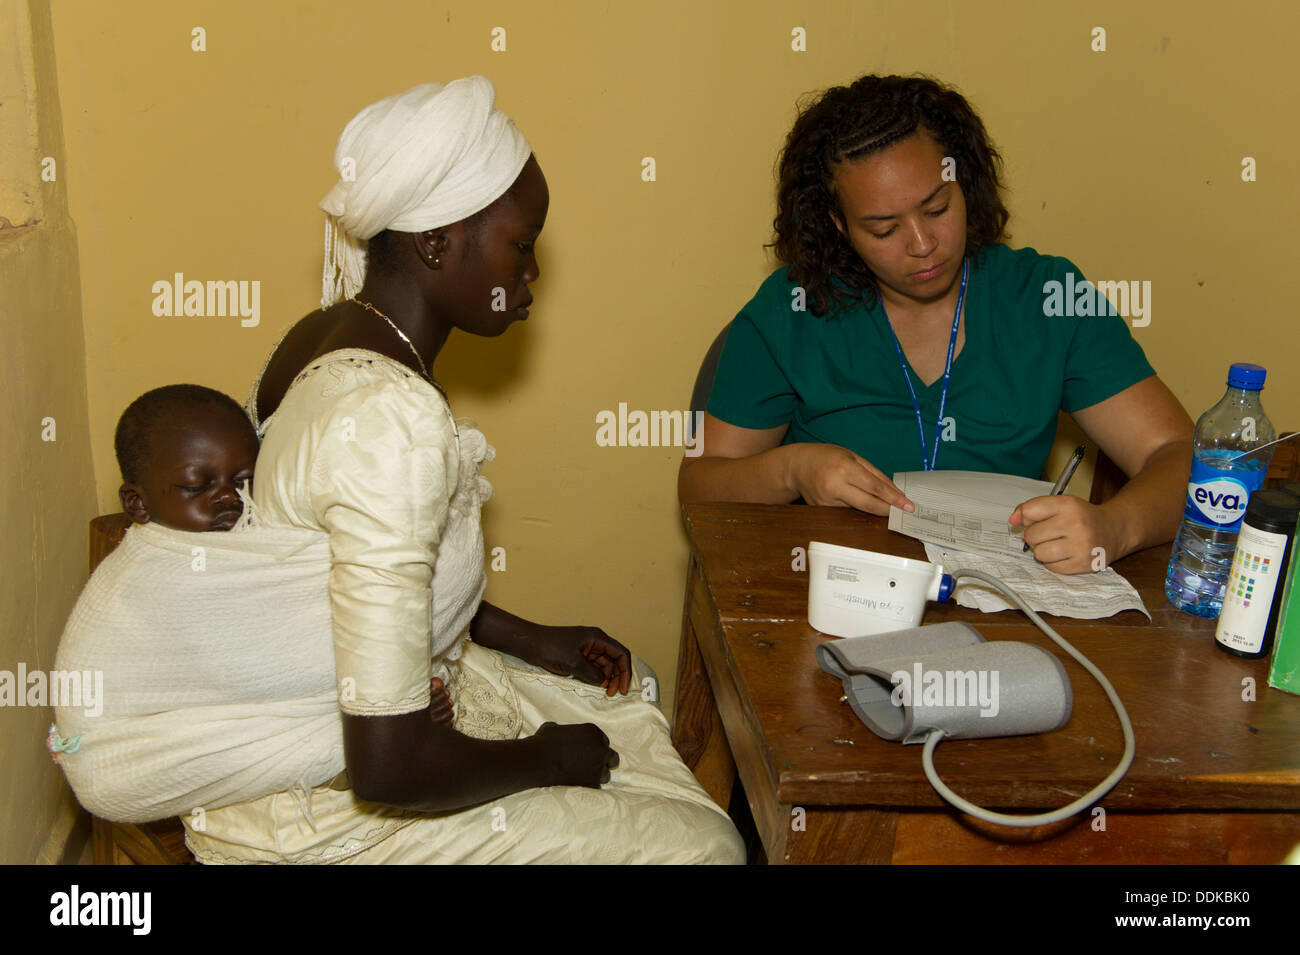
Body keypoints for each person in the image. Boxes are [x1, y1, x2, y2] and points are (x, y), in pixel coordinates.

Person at [170, 77, 744, 864]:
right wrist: (550, 759)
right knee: (709, 845)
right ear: (438, 241)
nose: (535, 269)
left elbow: (363, 578)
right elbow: (390, 765)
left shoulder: (325, 335)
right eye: (522, 242)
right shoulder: (388, 423)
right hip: (339, 801)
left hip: (368, 702)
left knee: (631, 685)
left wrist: (532, 638)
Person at [678, 74, 1193, 575]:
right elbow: (701, 484)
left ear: (964, 184)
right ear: (840, 226)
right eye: (883, 229)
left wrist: (1116, 527)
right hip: (840, 599)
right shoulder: (793, 310)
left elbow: (1177, 452)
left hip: (1003, 601)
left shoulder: (1047, 299)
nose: (922, 245)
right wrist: (792, 469)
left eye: (937, 208)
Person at [110, 383, 458, 720]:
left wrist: (395, 694)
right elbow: (254, 676)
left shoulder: (271, 543)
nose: (229, 497)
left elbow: (322, 630)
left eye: (243, 479)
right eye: (197, 485)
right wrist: (394, 700)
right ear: (137, 503)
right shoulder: (151, 581)